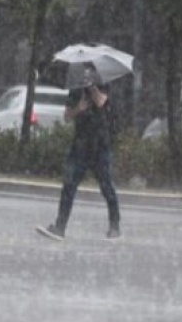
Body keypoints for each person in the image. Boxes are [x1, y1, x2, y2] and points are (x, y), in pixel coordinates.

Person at [37, 65, 121, 241]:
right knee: (69, 185)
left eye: (91, 72)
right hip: (80, 144)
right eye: (86, 72)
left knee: (107, 186)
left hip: (100, 144)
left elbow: (101, 102)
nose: (87, 74)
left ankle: (115, 226)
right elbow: (67, 116)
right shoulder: (76, 90)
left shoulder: (104, 84)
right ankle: (60, 227)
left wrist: (92, 87)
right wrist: (79, 108)